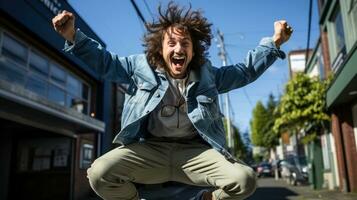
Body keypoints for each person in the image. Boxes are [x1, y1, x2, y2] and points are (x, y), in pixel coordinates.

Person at [52, 2, 292, 200]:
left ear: (193, 51)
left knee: (245, 179)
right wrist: (73, 35)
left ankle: (206, 199)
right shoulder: (139, 67)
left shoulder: (208, 75)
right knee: (99, 173)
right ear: (160, 48)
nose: (179, 48)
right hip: (150, 150)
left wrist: (274, 42)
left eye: (185, 44)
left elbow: (244, 71)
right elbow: (105, 62)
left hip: (195, 154)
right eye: (172, 43)